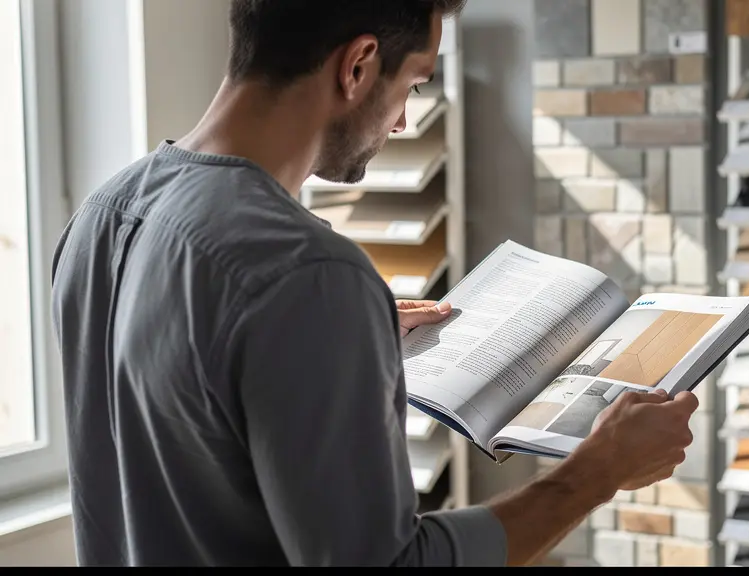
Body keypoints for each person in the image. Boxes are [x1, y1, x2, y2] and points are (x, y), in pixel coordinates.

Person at [50, 0, 700, 568]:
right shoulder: (307, 275)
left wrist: (324, 340)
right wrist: (595, 474)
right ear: (358, 64)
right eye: (415, 83)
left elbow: (186, 416)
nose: (401, 125)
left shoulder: (102, 217)